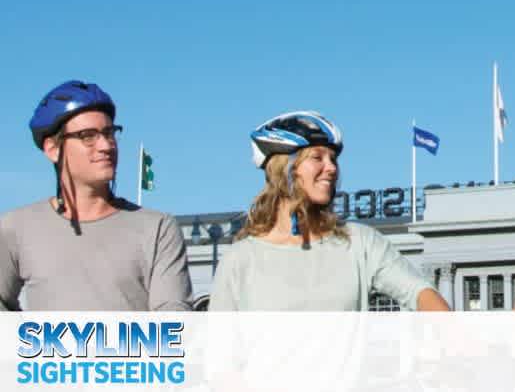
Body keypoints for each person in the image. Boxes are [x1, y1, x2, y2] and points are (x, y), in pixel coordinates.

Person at [209, 110, 449, 311]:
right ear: (284, 168)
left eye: (333, 159)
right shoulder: (239, 260)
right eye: (317, 157)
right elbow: (220, 354)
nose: (331, 168)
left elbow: (418, 291)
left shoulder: (360, 243)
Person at [0, 80, 192, 310]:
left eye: (109, 133)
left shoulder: (158, 228)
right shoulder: (16, 228)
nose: (106, 145)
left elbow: (173, 320)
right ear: (53, 149)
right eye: (88, 136)